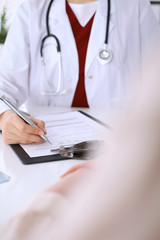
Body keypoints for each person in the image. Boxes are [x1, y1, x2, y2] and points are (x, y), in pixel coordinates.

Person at [0, 0, 159, 144]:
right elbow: (5, 85)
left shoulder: (135, 6)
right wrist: (5, 117)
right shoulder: (31, 10)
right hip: (45, 140)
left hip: (118, 141)